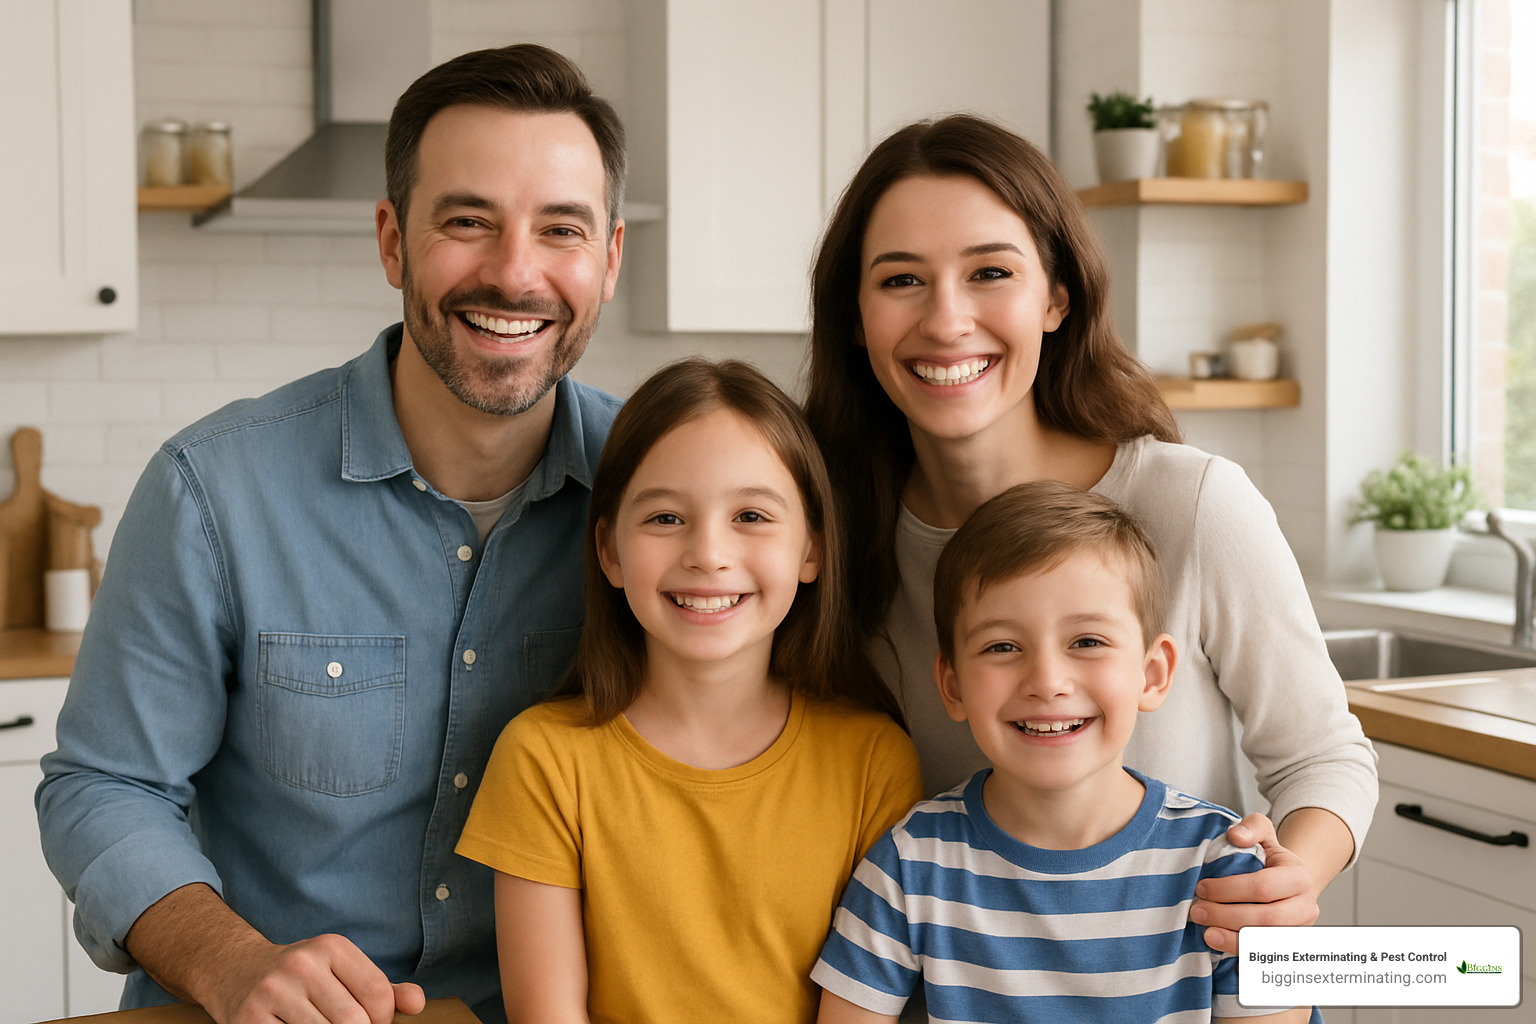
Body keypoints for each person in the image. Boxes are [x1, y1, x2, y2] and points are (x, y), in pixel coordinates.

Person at [36, 44, 626, 1024]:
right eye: (467, 220)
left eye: (560, 229)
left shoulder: (666, 498)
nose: (515, 271)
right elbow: (105, 785)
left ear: (607, 260)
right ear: (393, 241)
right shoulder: (213, 490)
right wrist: (233, 963)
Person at [802, 113, 1377, 955]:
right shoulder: (830, 539)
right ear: (855, 314)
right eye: (901, 281)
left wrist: (1288, 880)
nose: (947, 320)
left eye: (990, 271)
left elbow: (1324, 754)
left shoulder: (1191, 506)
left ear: (1056, 296)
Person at [455, 357, 923, 1024]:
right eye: (666, 519)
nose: (708, 552)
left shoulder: (874, 760)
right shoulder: (543, 760)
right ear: (610, 552)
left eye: (752, 516)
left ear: (812, 549)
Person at [812, 481, 1308, 1023]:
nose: (1047, 681)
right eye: (1003, 646)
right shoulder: (907, 865)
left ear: (1152, 673)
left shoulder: (1228, 868)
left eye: (1087, 642)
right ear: (952, 685)